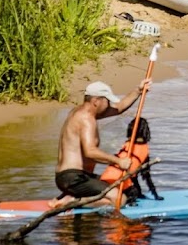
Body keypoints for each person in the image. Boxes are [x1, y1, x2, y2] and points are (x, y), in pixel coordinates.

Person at [53, 78, 151, 209]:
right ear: (96, 101)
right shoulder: (86, 119)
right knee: (119, 200)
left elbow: (119, 107)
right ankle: (71, 202)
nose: (109, 104)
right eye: (107, 101)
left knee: (124, 188)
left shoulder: (80, 112)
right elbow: (90, 152)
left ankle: (70, 196)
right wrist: (118, 161)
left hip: (74, 177)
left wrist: (138, 91)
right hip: (73, 179)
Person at [99, 118, 161, 203]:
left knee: (134, 186)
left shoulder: (127, 146)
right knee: (134, 192)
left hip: (106, 179)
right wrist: (155, 195)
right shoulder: (143, 150)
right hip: (118, 181)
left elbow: (133, 176)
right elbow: (146, 176)